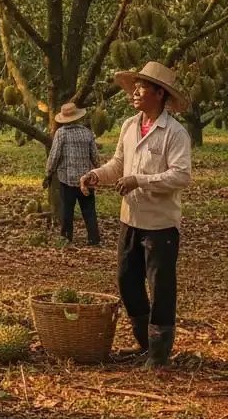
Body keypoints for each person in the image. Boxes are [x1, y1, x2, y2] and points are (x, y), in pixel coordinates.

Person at [80, 61, 191, 369]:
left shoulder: (175, 133)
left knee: (161, 287)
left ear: (159, 93)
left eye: (143, 87)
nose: (135, 92)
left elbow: (181, 176)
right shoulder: (130, 125)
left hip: (160, 224)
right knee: (127, 280)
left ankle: (159, 353)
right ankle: (144, 342)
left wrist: (139, 180)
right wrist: (95, 175)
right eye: (135, 86)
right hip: (131, 219)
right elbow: (118, 163)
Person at [44, 101, 101, 245]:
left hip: (67, 180)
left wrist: (48, 173)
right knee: (89, 210)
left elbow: (54, 156)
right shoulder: (87, 132)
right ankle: (94, 239)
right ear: (77, 117)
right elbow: (95, 156)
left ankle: (66, 238)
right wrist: (99, 171)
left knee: (67, 211)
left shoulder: (61, 133)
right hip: (86, 180)